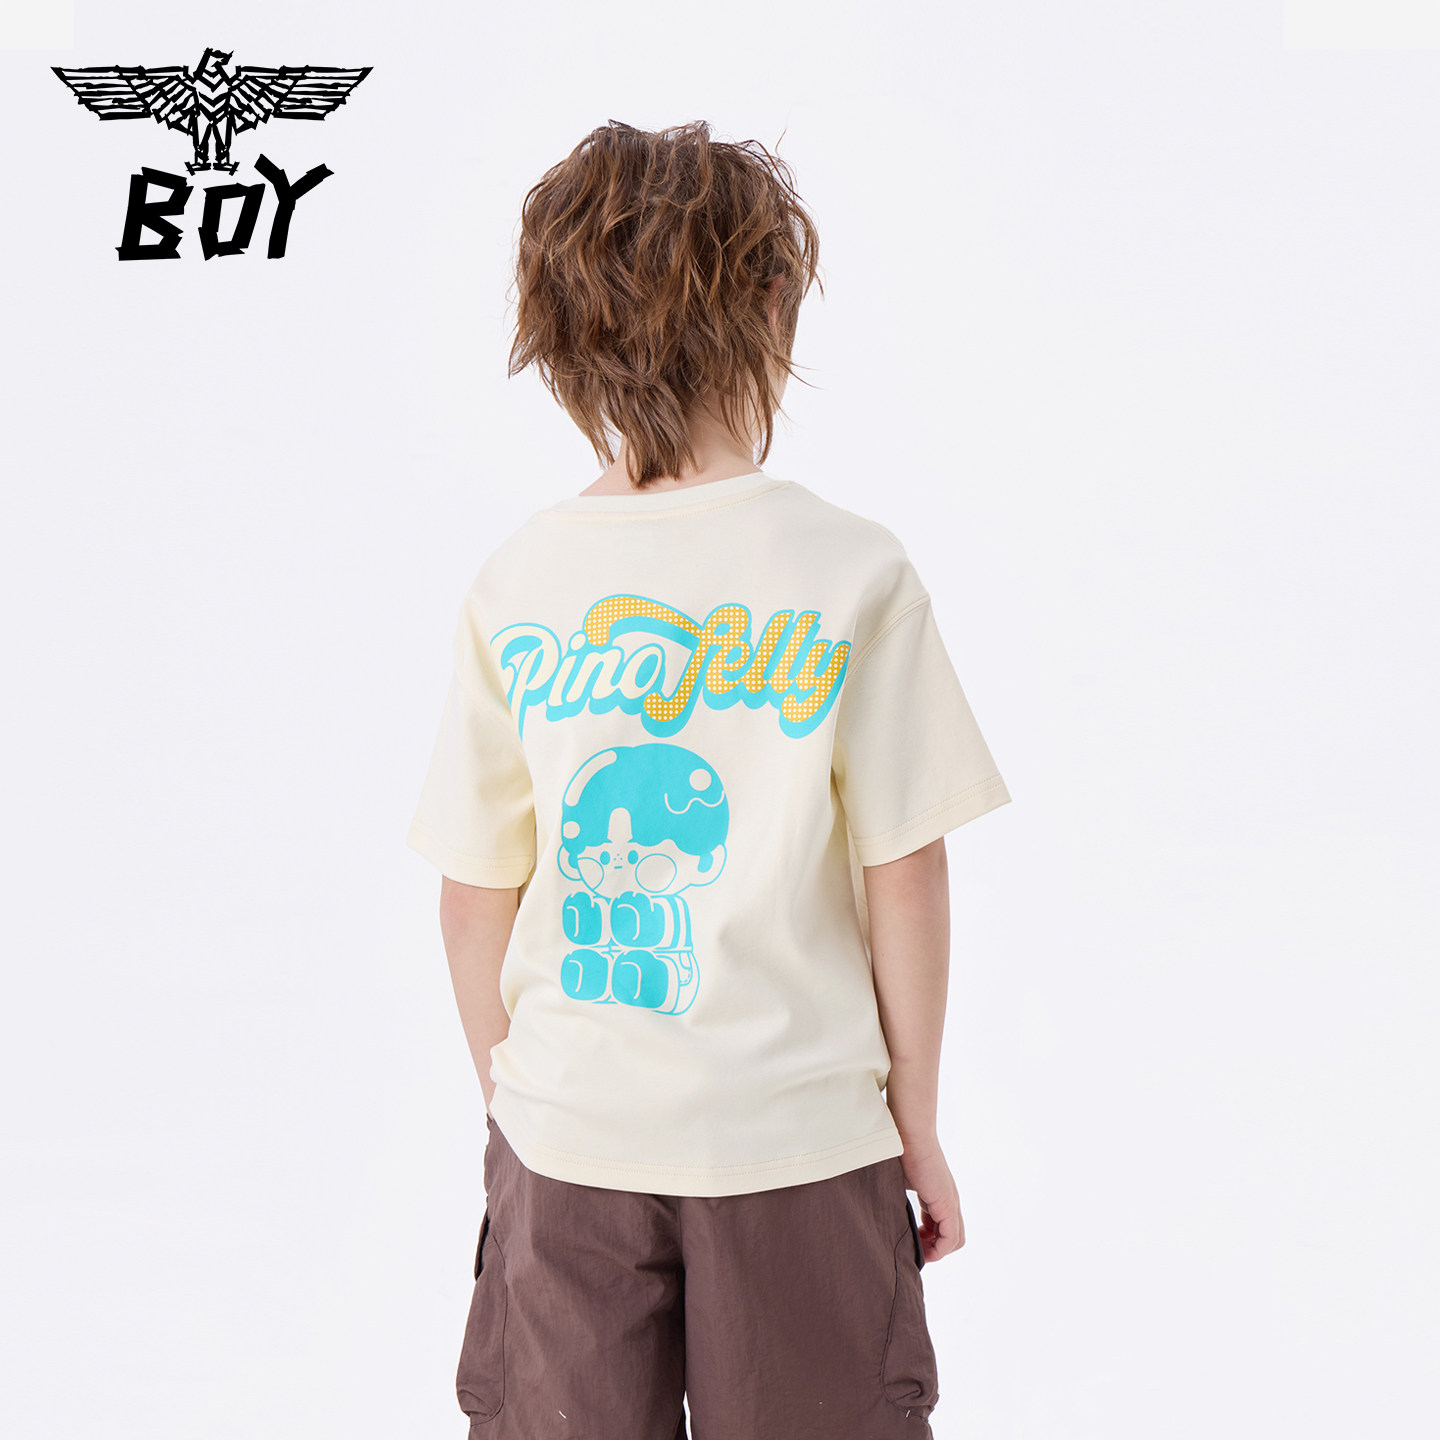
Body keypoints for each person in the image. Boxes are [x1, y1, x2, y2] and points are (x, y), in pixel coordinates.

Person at [405, 118, 1012, 1440]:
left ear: (555, 337)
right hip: (800, 1135)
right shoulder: (850, 570)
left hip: (571, 1138)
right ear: (776, 305)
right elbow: (906, 869)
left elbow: (472, 896)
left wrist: (521, 1106)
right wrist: (915, 1122)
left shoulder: (520, 581)